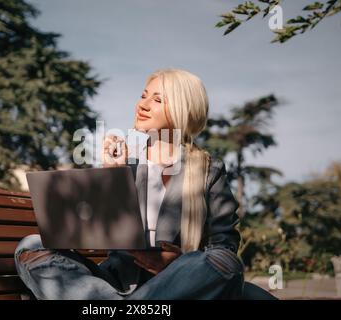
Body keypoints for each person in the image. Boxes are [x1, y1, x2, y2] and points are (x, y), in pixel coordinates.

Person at [14, 68, 245, 300]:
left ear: (183, 109)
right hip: (115, 283)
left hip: (175, 286)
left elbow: (223, 247)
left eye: (157, 99)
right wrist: (112, 177)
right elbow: (99, 231)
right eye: (143, 96)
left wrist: (179, 263)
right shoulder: (125, 163)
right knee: (32, 245)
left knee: (226, 262)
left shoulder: (209, 171)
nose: (142, 105)